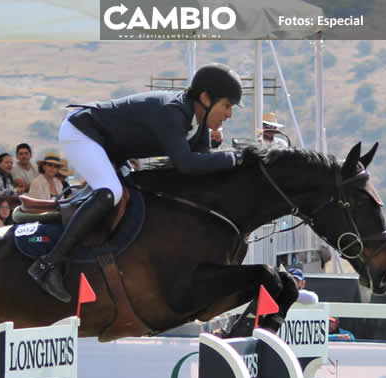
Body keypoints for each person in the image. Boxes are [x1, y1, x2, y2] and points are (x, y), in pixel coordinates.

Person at [28, 63, 250, 303]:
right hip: (82, 132)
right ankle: (48, 264)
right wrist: (235, 157)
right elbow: (186, 163)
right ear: (206, 98)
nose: (229, 114)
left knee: (136, 195)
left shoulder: (198, 125)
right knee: (110, 192)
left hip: (108, 147)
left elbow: (201, 167)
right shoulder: (173, 112)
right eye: (227, 105)